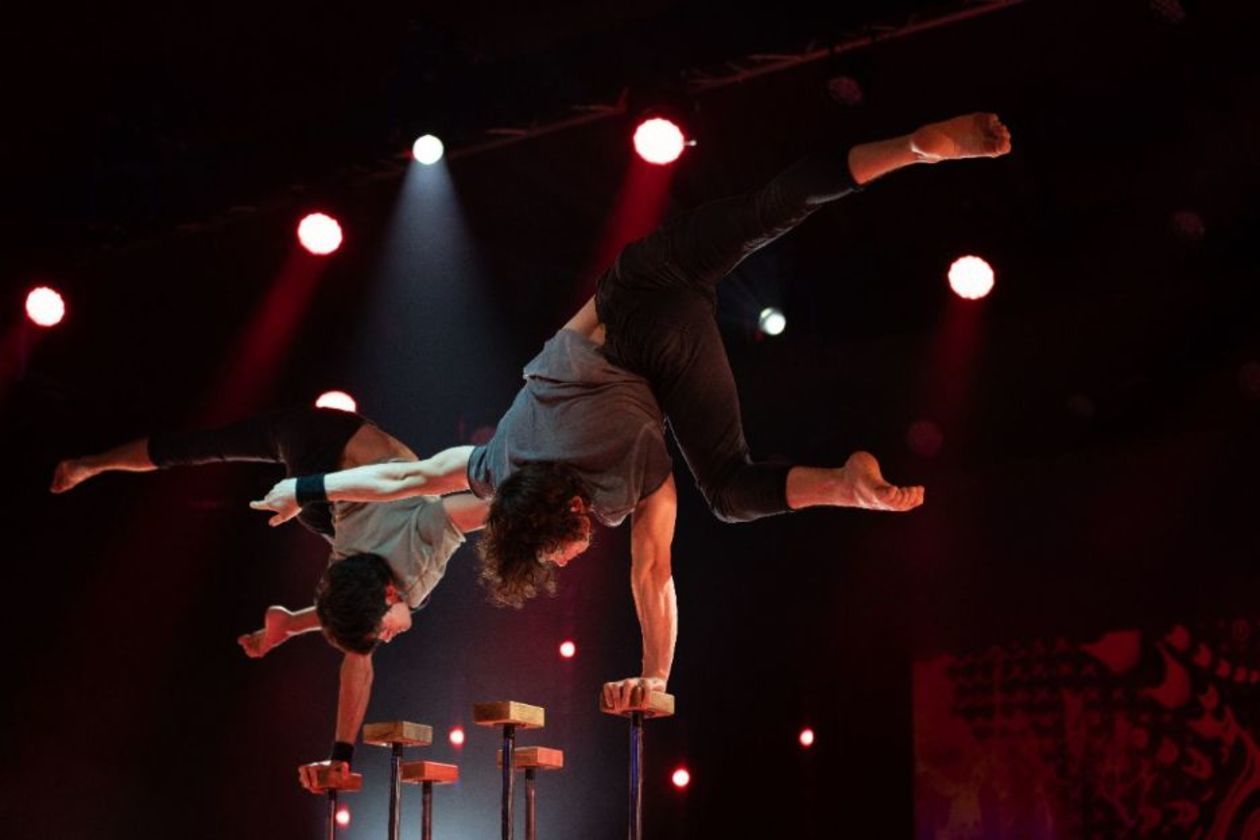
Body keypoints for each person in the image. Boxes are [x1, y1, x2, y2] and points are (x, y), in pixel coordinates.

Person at [252, 112, 1012, 715]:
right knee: (766, 210)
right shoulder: (498, 466)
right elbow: (406, 478)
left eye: (561, 549)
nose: (568, 560)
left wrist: (655, 676)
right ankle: (910, 150)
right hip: (636, 283)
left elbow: (653, 575)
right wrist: (303, 489)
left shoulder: (625, 485)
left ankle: (844, 485)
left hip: (667, 346)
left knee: (729, 490)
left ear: (573, 511)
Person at [50, 407, 484, 789]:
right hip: (325, 478)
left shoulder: (417, 538)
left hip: (326, 459)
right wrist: (339, 755)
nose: (386, 638)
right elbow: (357, 653)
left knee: (204, 447)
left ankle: (88, 465)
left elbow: (490, 509)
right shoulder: (364, 569)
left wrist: (341, 756)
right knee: (203, 447)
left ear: (387, 592)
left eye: (380, 630)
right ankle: (288, 621)